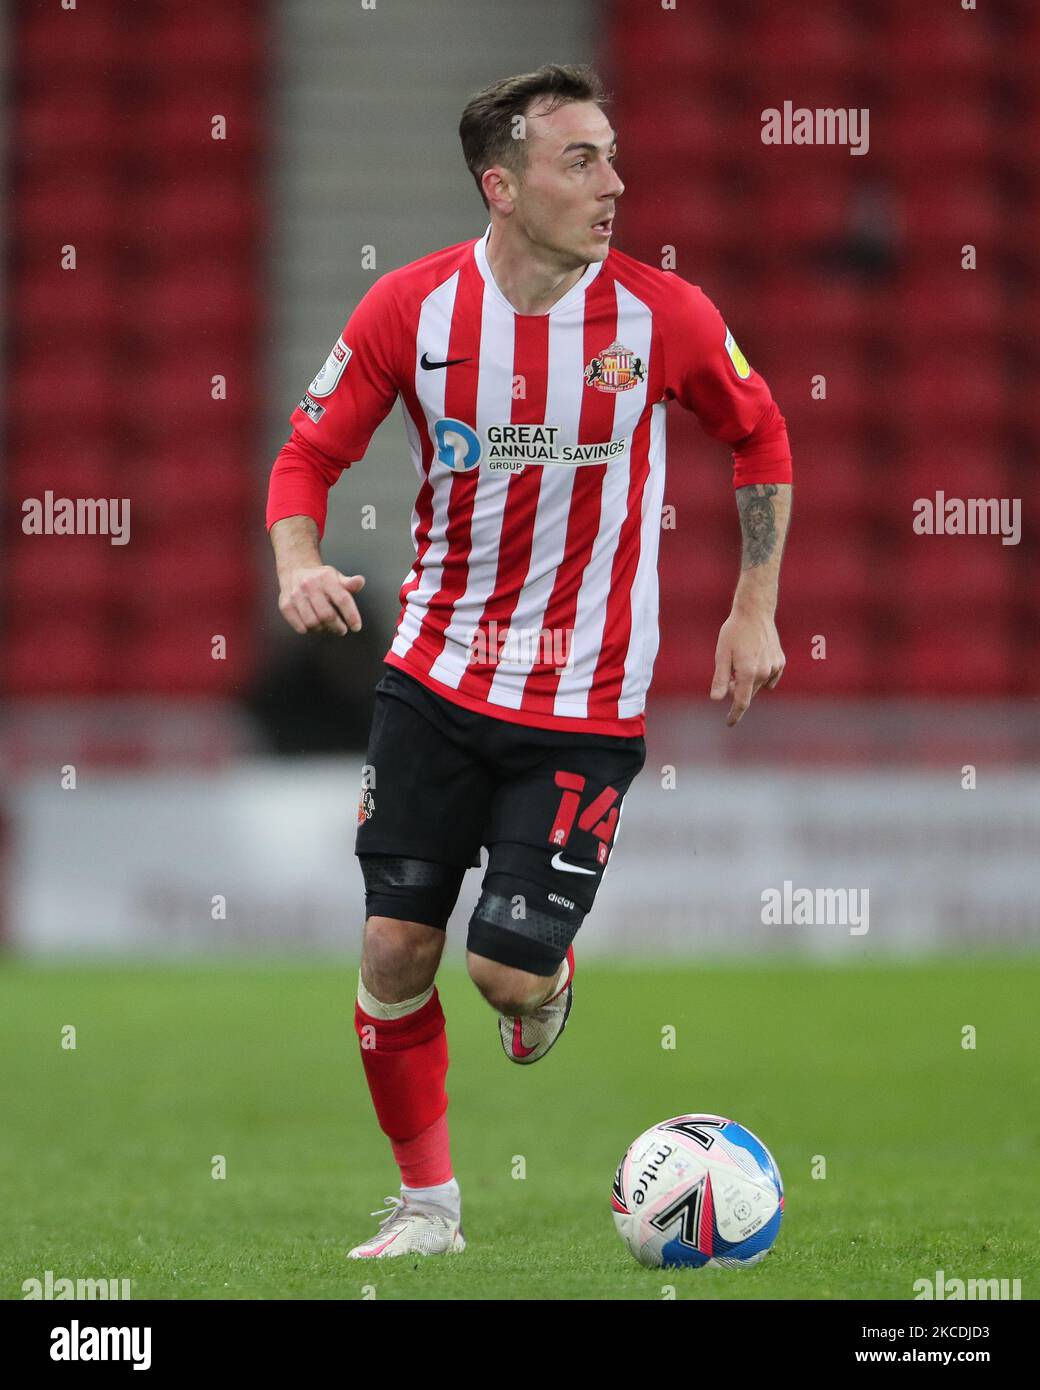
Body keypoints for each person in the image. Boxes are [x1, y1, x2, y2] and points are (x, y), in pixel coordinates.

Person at [265, 63, 793, 1259]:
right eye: (580, 161)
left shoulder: (664, 315)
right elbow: (304, 459)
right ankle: (427, 1211)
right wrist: (298, 559)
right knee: (394, 945)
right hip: (435, 675)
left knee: (502, 970)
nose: (613, 183)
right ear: (500, 186)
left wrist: (751, 608)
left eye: (610, 155)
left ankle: (541, 983)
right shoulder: (410, 310)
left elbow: (758, 432)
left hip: (583, 700)